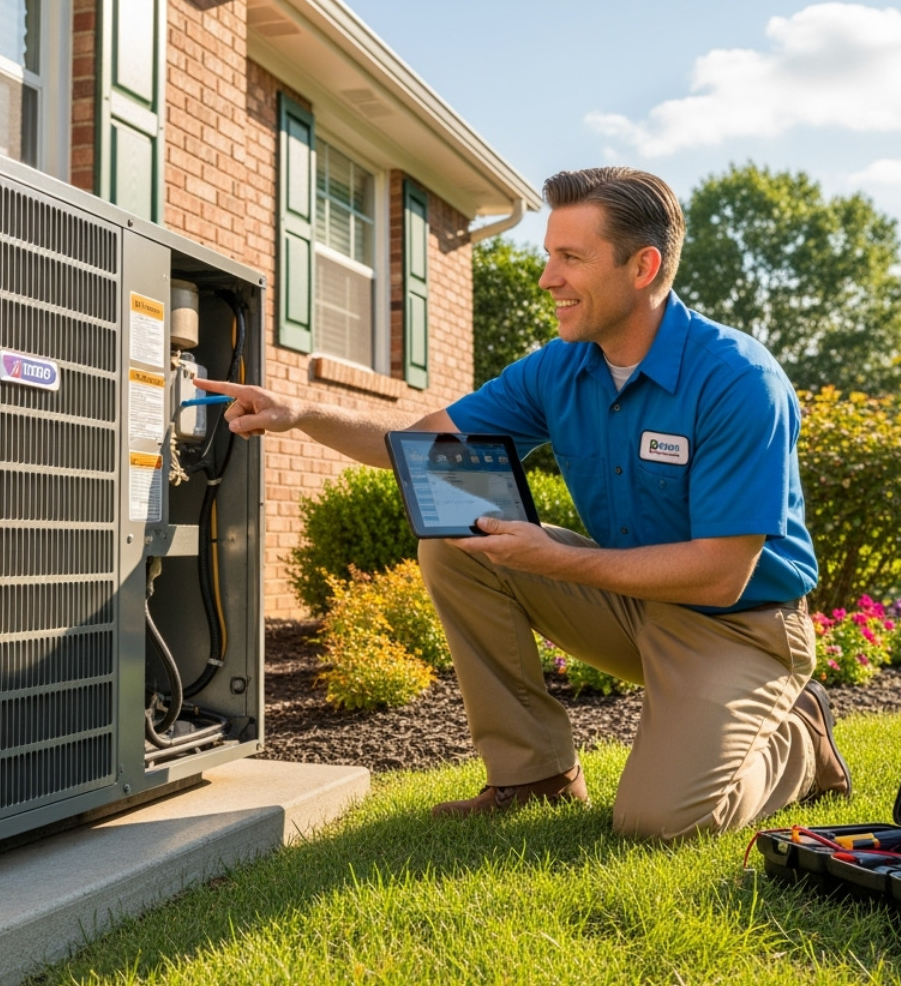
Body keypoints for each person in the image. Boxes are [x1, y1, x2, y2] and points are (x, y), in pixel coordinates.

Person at [198, 166, 850, 841]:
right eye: (549, 255)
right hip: (630, 601)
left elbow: (721, 572)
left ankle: (802, 740)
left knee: (662, 823)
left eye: (571, 257)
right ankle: (536, 776)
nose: (548, 278)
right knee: (456, 541)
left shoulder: (738, 380)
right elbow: (420, 444)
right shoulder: (559, 369)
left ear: (642, 266)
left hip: (738, 625)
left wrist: (556, 562)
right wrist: (301, 412)